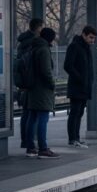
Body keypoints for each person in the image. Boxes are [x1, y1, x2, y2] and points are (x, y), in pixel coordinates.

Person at [26, 28, 59, 159]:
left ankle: (30, 147)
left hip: (33, 88)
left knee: (32, 117)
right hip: (42, 89)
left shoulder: (34, 48)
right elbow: (46, 71)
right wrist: (52, 84)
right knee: (43, 118)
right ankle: (43, 148)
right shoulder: (44, 50)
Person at [64, 25, 97, 148]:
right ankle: (72, 139)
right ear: (83, 34)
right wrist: (80, 78)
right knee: (75, 112)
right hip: (77, 86)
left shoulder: (86, 47)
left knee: (80, 112)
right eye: (91, 37)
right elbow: (68, 65)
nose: (92, 41)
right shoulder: (74, 46)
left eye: (93, 38)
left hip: (84, 86)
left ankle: (76, 138)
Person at [16, 18, 43, 152]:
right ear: (38, 28)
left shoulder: (22, 42)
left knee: (26, 113)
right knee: (31, 114)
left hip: (24, 82)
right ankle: (30, 142)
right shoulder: (33, 43)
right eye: (41, 27)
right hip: (31, 83)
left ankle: (26, 141)